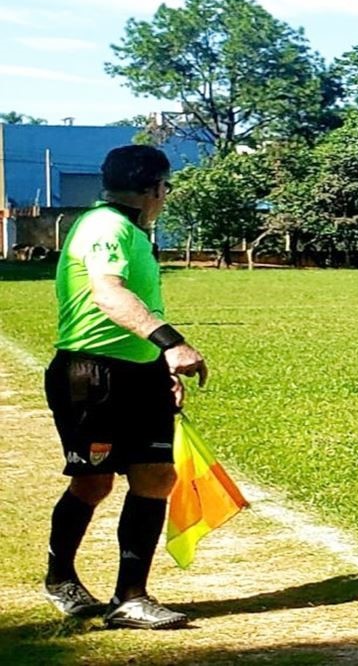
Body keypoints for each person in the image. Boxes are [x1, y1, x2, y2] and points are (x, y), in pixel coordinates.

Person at [42, 145, 208, 629]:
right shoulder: (104, 227)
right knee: (93, 482)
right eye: (166, 189)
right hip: (92, 375)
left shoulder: (132, 230)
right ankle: (59, 579)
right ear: (154, 189)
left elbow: (135, 305)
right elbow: (108, 293)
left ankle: (130, 597)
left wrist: (158, 364)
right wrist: (172, 344)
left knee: (156, 476)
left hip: (138, 374)